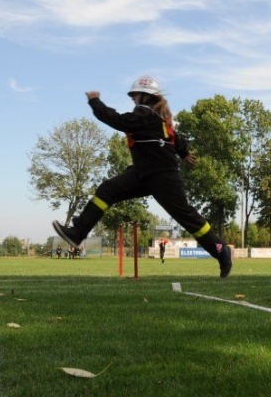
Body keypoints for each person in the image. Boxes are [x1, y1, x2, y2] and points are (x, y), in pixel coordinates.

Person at [52, 76, 232, 278]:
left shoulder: (144, 115)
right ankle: (77, 233)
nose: (132, 98)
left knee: (186, 216)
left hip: (162, 175)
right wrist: (183, 153)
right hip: (143, 172)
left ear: (146, 96)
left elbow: (116, 120)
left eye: (135, 95)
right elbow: (175, 136)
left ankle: (220, 250)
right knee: (107, 190)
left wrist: (95, 101)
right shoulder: (158, 118)